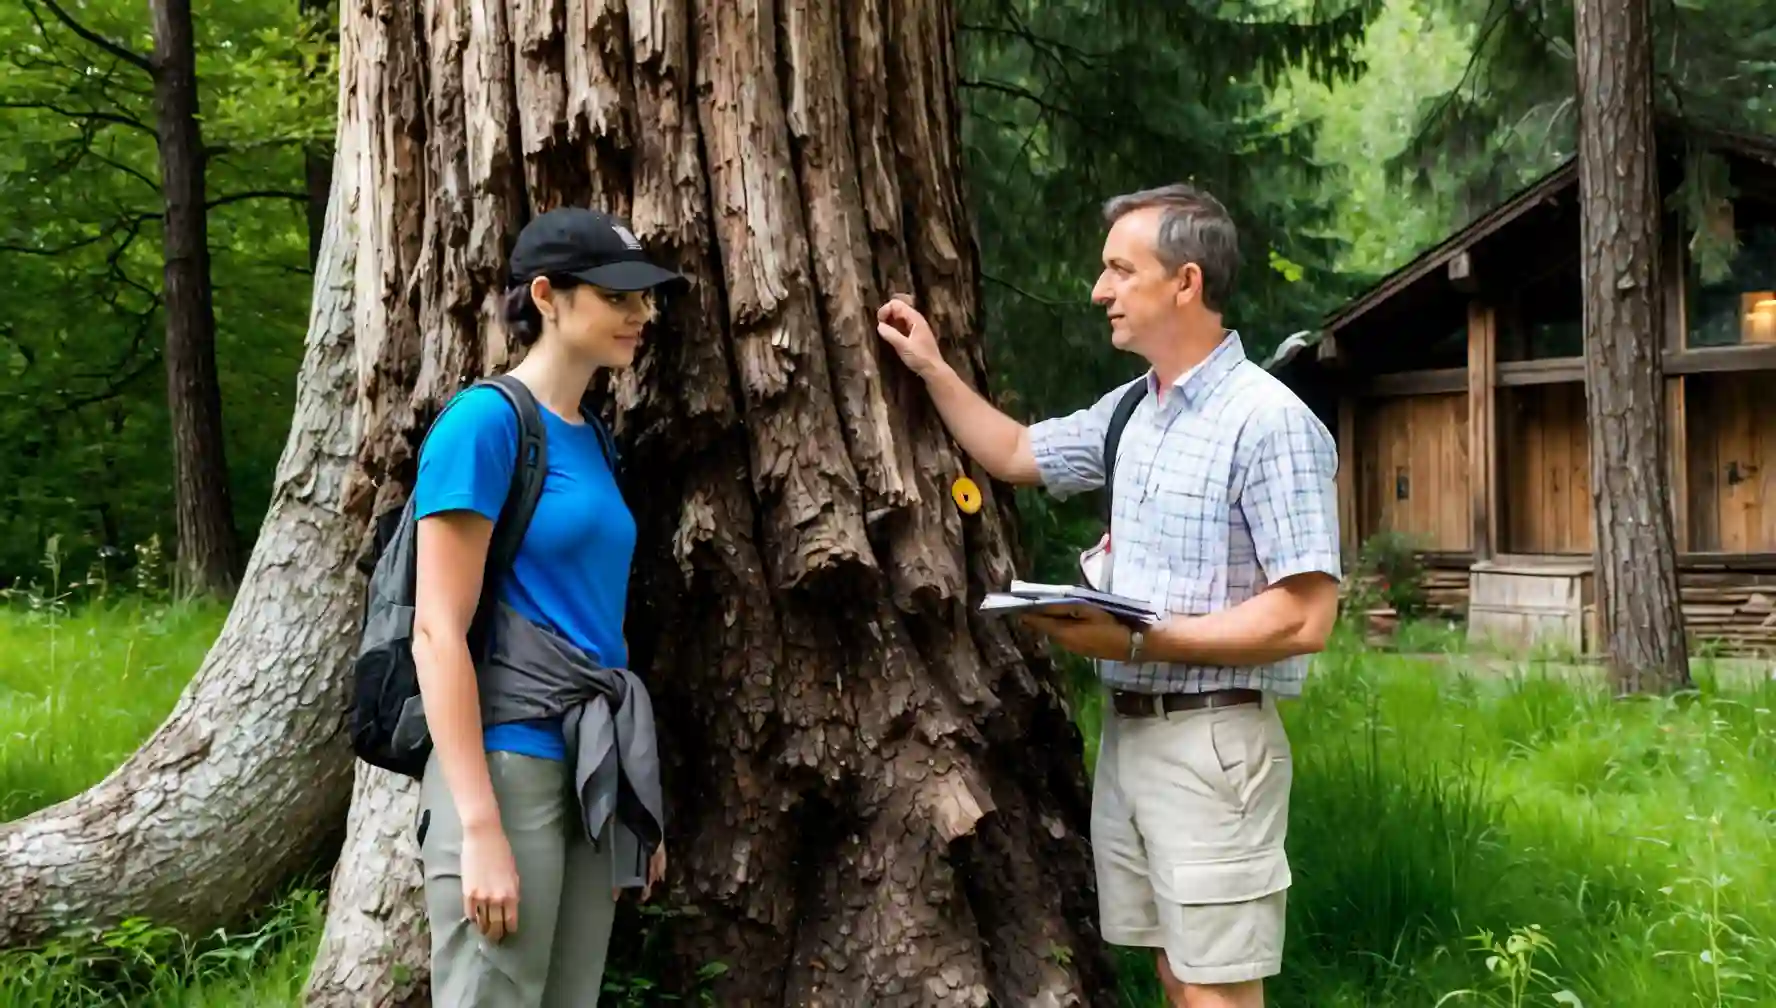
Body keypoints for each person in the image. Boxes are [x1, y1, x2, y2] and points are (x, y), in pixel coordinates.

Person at [876, 183, 1342, 1008]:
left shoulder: (1267, 421)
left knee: (1215, 990)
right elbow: (1016, 452)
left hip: (1213, 742)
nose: (1100, 291)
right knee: (1175, 974)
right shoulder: (1134, 409)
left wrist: (1138, 639)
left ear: (1186, 282)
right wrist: (933, 368)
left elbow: (1306, 615)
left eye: (1121, 271)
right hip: (1130, 739)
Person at [410, 206, 681, 1007]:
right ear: (547, 297)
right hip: (506, 763)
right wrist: (479, 826)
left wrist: (629, 800)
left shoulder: (593, 438)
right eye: (618, 297)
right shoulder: (484, 425)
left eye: (644, 298)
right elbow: (435, 631)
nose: (641, 314)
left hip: (589, 767)